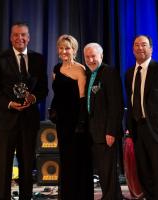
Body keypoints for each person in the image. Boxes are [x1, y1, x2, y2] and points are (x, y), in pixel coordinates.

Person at [0, 22, 48, 200]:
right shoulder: (0, 58)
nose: (19, 38)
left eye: (23, 35)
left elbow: (43, 88)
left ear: (29, 37)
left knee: (27, 165)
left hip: (29, 120)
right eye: (16, 35)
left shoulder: (38, 59)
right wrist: (9, 103)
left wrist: (34, 98)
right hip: (5, 120)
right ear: (10, 37)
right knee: (4, 166)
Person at [125, 35, 158, 199]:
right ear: (132, 49)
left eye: (143, 44)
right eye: (136, 45)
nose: (140, 48)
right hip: (138, 130)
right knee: (144, 173)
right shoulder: (129, 73)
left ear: (151, 48)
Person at [49, 34, 93, 199]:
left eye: (67, 48)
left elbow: (83, 99)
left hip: (77, 122)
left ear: (74, 50)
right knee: (66, 159)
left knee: (78, 159)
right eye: (61, 48)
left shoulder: (80, 69)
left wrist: (81, 124)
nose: (64, 51)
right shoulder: (56, 69)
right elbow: (58, 94)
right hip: (62, 122)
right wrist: (53, 109)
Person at [84, 42, 124, 200]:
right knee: (102, 169)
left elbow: (116, 104)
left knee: (107, 169)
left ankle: (111, 197)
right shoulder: (89, 74)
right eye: (87, 57)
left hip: (106, 132)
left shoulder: (109, 72)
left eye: (93, 56)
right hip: (93, 131)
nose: (90, 59)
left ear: (101, 56)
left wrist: (111, 131)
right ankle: (112, 196)